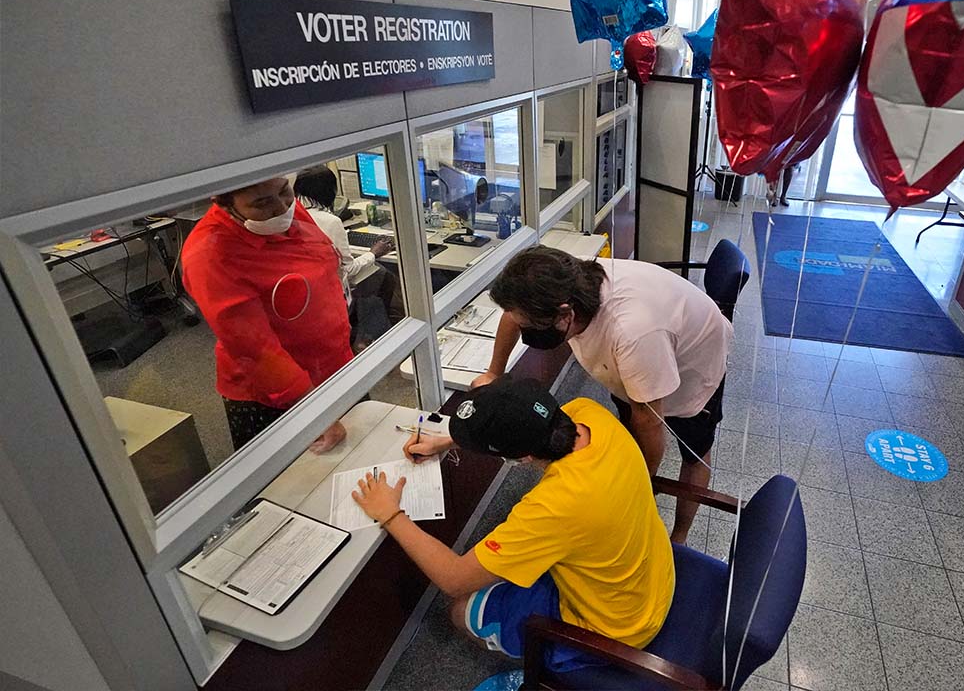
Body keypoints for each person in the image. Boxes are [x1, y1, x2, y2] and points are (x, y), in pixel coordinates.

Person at [350, 377, 674, 670]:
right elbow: (528, 431)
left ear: (522, 457)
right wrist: (447, 441)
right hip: (653, 573)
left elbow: (453, 579)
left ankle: (546, 665)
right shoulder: (589, 413)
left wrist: (390, 514)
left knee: (460, 611)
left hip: (620, 627)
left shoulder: (553, 507)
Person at [477, 246, 732, 543]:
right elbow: (513, 315)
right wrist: (493, 373)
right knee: (632, 427)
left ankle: (679, 536)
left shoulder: (632, 332)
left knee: (694, 454)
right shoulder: (565, 281)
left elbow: (649, 420)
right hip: (644, 355)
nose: (525, 329)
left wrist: (641, 483)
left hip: (695, 364)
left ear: (565, 314)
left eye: (531, 326)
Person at [182, 176, 350, 452]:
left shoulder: (284, 211)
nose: (281, 208)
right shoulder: (210, 253)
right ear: (224, 204)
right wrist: (314, 411)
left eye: (285, 191)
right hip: (280, 392)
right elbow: (256, 349)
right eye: (261, 203)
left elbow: (322, 264)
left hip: (332, 366)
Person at [293, 166, 396, 349]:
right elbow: (349, 268)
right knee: (384, 276)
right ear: (331, 191)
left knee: (378, 274)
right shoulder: (331, 221)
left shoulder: (293, 215)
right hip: (332, 295)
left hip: (306, 295)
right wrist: (374, 252)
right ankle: (366, 337)